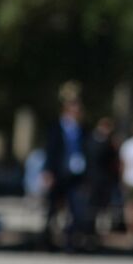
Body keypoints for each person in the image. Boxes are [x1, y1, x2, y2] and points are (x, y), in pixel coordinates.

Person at [41, 84, 91, 251]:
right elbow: (50, 150)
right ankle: (47, 240)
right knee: (52, 209)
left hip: (75, 174)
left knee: (75, 209)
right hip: (58, 173)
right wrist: (48, 171)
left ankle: (69, 242)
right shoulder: (56, 127)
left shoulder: (82, 129)